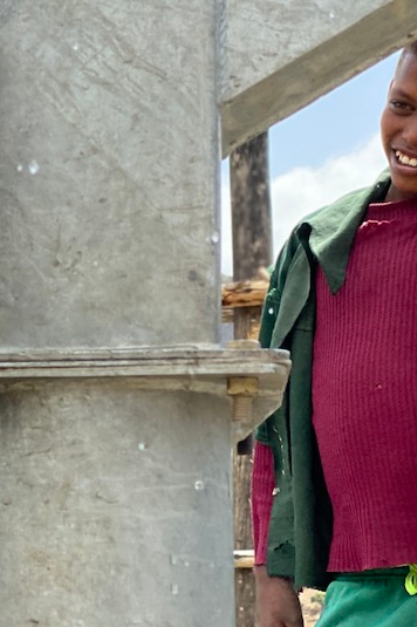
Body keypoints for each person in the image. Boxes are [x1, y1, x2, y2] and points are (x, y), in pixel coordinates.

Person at [252, 41, 417, 627]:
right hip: (362, 592)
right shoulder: (319, 250)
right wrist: (273, 579)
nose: (411, 134)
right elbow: (274, 425)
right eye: (401, 104)